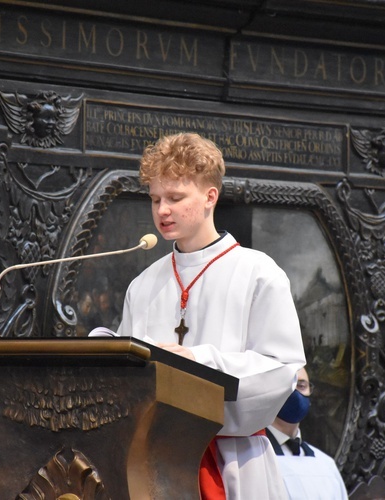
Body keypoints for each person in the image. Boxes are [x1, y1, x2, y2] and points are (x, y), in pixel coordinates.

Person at [116, 132, 306, 499]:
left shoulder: (258, 273)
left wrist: (198, 363)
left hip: (234, 462)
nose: (162, 211)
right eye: (155, 199)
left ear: (210, 197)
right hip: (149, 463)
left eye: (174, 197)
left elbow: (281, 372)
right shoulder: (143, 284)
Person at [265, 367, 348, 500]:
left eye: (301, 386)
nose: (295, 394)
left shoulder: (326, 465)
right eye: (288, 386)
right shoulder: (254, 459)